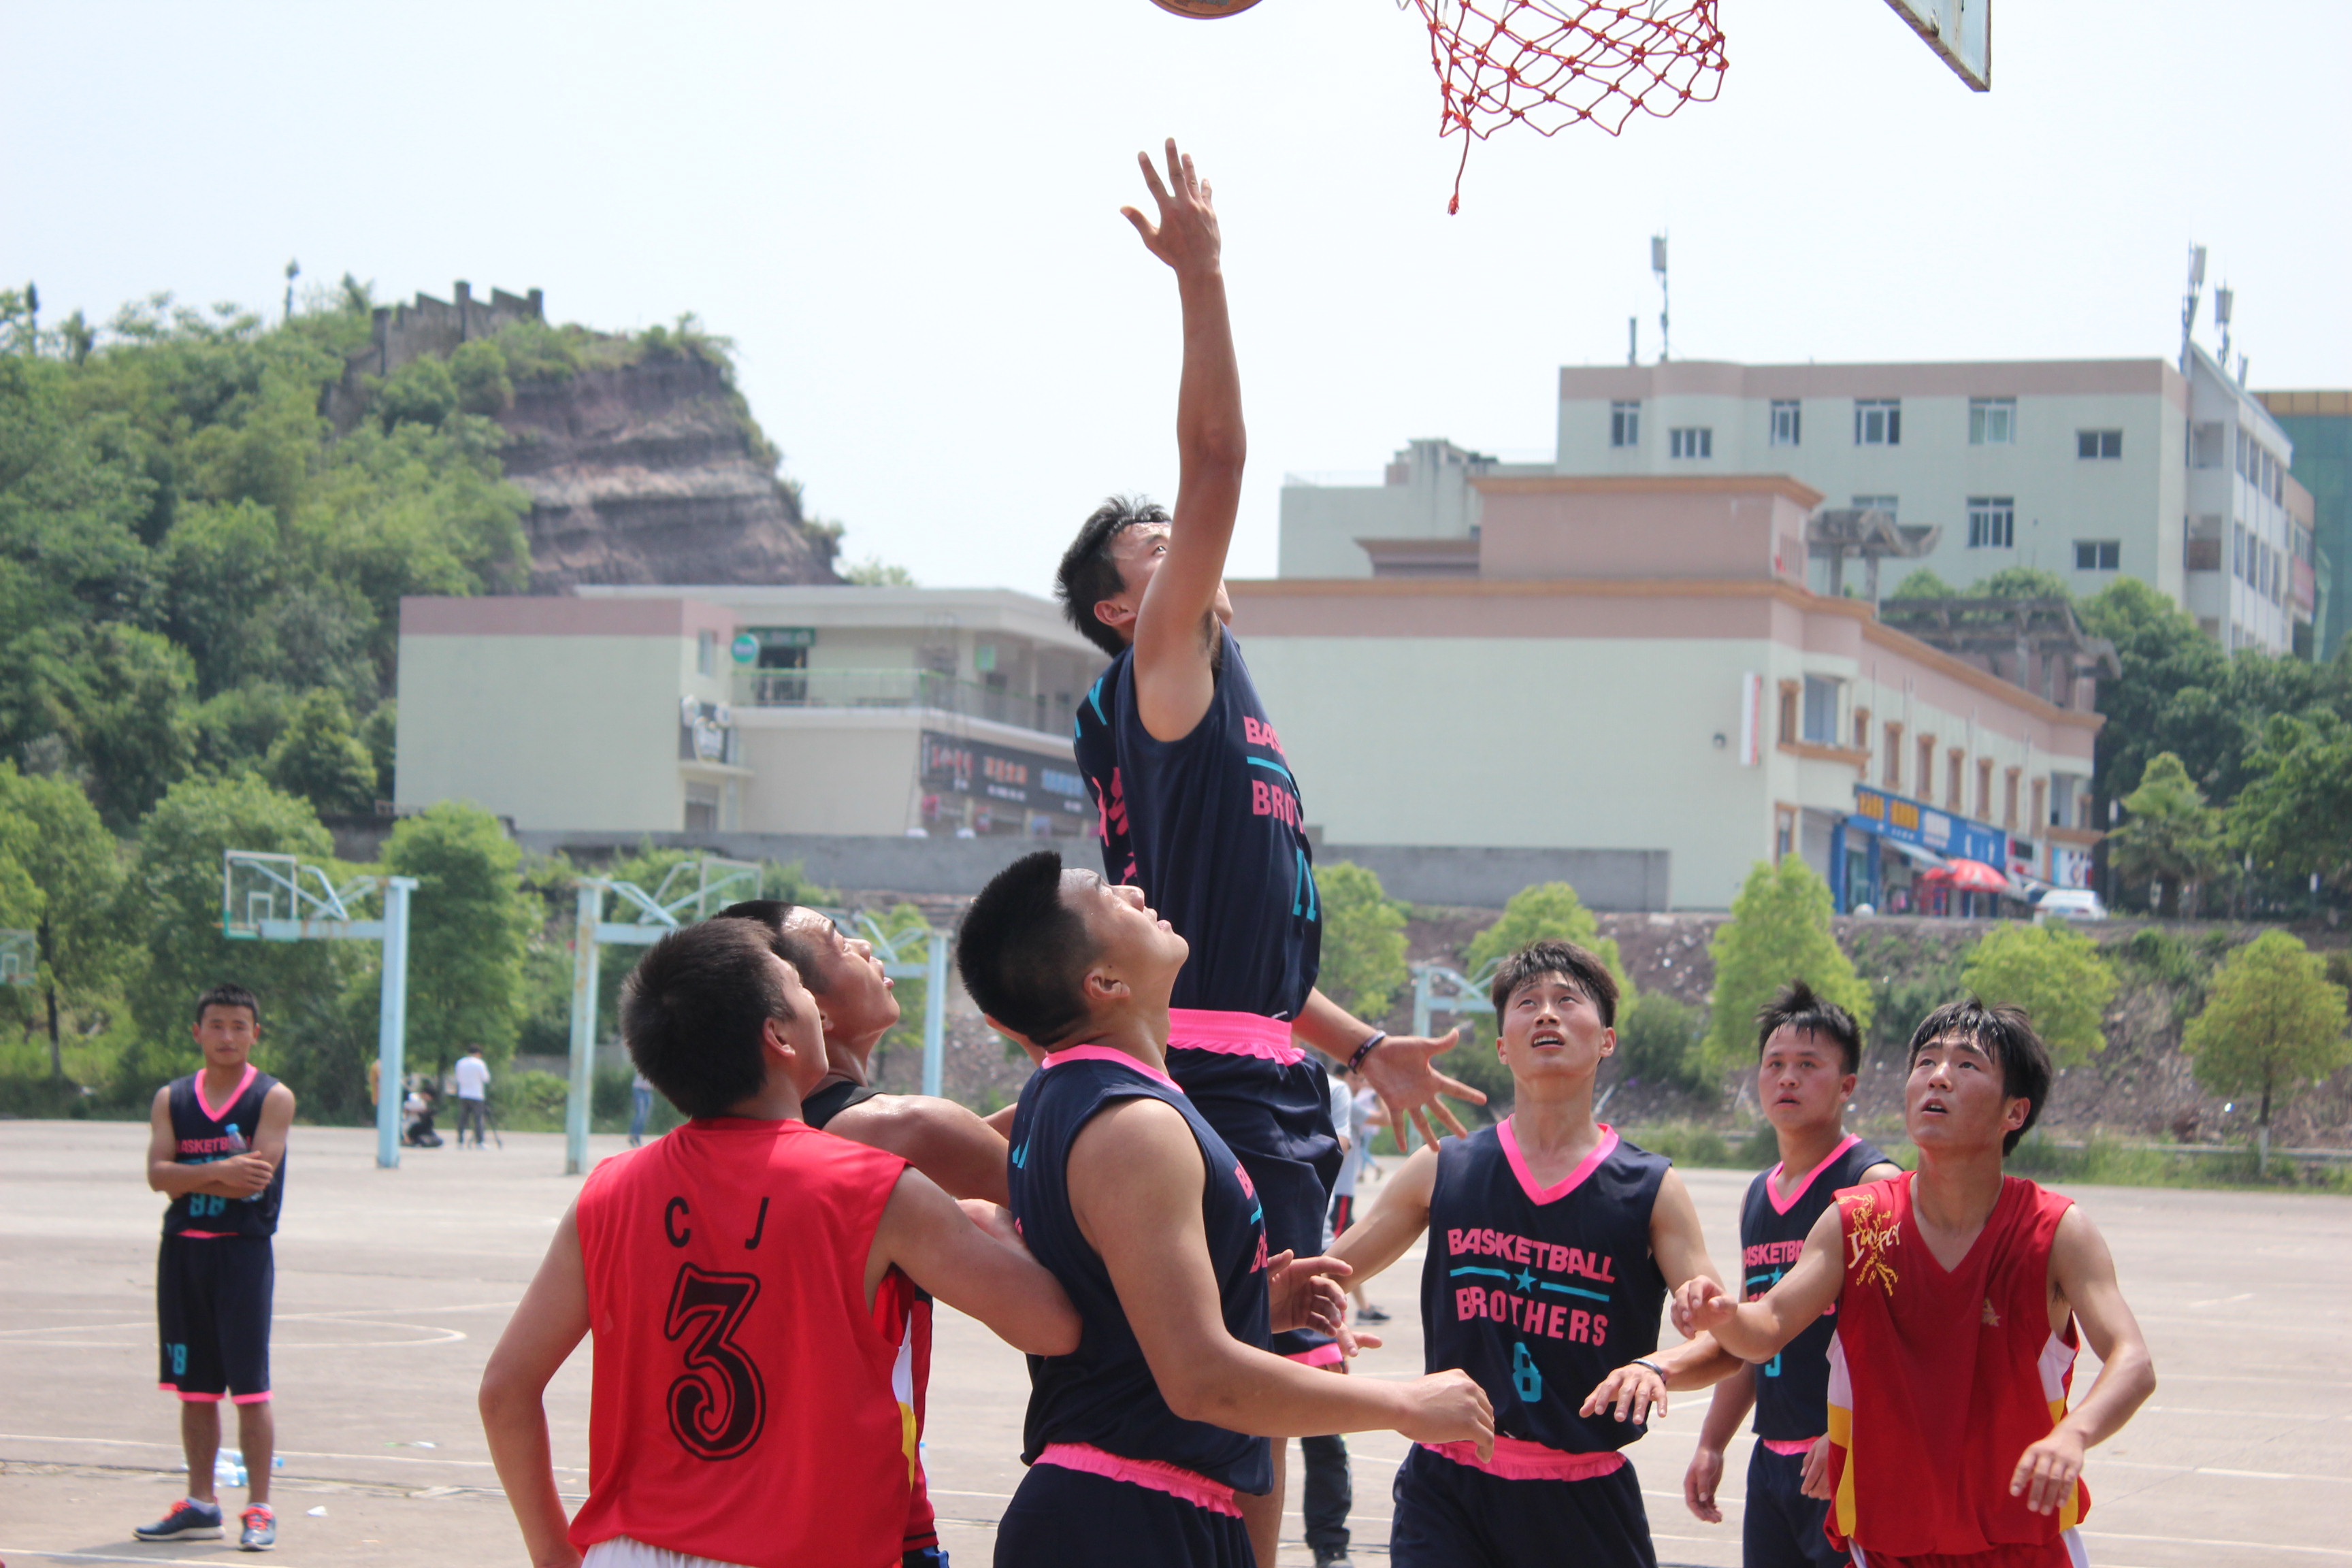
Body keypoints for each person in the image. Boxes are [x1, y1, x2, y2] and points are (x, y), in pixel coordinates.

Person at [1059, 137, 1482, 1563]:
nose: (1186, 542)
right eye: (1154, 545)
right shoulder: (1166, 670)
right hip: (1217, 1084)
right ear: (1123, 609)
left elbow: (1241, 957)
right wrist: (1202, 276)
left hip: (1263, 1065)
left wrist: (1362, 1048)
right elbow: (1221, 456)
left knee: (1264, 1397)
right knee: (1241, 1388)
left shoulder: (1213, 706)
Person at [477, 918, 1080, 1568]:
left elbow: (505, 1390)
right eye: (797, 986)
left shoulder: (606, 1194)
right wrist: (989, 1223)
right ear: (780, 1035)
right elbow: (1051, 1326)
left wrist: (554, 1554)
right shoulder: (872, 1189)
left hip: (628, 1552)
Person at [956, 850, 1494, 1568]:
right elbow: (1203, 1381)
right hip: (1127, 1517)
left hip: (1139, 1508)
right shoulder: (1135, 1126)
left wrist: (1248, 1308)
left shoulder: (1068, 1096)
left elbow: (1114, 1321)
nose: (1135, 890)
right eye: (1109, 897)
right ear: (1106, 983)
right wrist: (1406, 1405)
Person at [1669, 999, 2159, 1568]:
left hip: (2020, 1544)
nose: (1938, 1077)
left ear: (2015, 1112)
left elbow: (2133, 1361)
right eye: (1926, 1062)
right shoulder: (1857, 1221)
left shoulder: (2055, 1231)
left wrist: (2074, 1435)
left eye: (1967, 1065)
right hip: (1887, 1548)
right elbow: (1768, 1326)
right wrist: (1725, 1315)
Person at [1326, 940, 1733, 1568]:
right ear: (1502, 1047)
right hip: (1448, 1489)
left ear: (1606, 1040)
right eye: (1527, 1003)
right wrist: (1307, 1301)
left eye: (1567, 1001)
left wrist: (1658, 1366)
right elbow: (1324, 1277)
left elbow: (1725, 1338)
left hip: (1582, 1497)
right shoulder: (1443, 1166)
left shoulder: (1651, 1188)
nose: (1546, 1013)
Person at [719, 897, 1015, 1566]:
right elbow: (1062, 1202)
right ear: (809, 1010)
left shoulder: (739, 1139)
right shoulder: (899, 1128)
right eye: (837, 941)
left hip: (736, 1503)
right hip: (865, 1517)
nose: (864, 947)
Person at [1682, 981, 1902, 1568]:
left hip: (1844, 1457)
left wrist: (1852, 1435)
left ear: (1847, 1085)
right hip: (1772, 1463)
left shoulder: (1873, 1184)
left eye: (1808, 1065)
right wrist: (1712, 1442)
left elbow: (1902, 1335)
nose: (1787, 1078)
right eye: (1775, 1064)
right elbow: (1752, 1334)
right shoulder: (1759, 1193)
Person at [137, 983, 296, 1552]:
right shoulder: (173, 1098)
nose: (227, 1036)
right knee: (195, 1388)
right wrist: (219, 1170)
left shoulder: (272, 1097)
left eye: (238, 1026)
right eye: (216, 1025)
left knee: (250, 1388)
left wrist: (190, 1174)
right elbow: (156, 1176)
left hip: (241, 1252)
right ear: (197, 1032)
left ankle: (259, 1507)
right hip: (184, 1251)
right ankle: (201, 1503)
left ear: (256, 1033)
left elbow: (255, 1180)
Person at [452, 1045, 490, 1149]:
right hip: (477, 1095)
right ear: (478, 1053)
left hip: (464, 1094)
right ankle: (479, 1142)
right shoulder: (480, 1063)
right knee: (478, 1119)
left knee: (463, 1118)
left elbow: (458, 1078)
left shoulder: (460, 1063)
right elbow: (486, 1078)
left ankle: (460, 1141)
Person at [627, 1068, 653, 1147]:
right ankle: (633, 1136)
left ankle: (637, 1136)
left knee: (645, 1116)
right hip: (639, 1090)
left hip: (648, 1091)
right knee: (640, 1114)